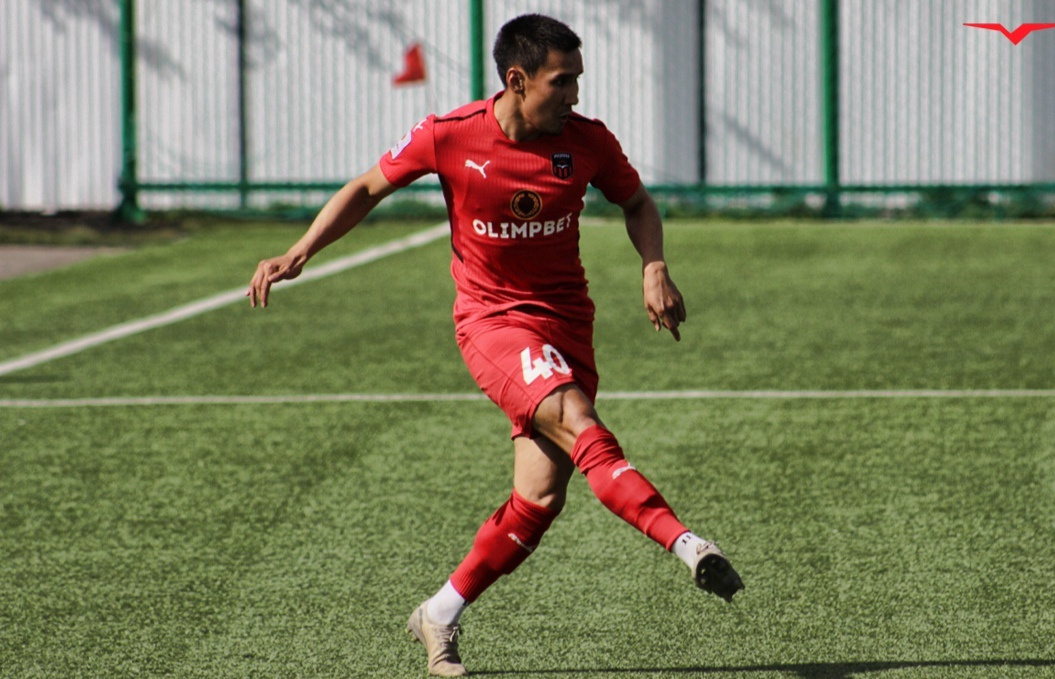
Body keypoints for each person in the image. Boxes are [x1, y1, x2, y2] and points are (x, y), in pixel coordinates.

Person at [247, 13, 743, 677]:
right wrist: (300, 250)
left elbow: (637, 202)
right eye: (561, 82)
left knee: (538, 499)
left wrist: (654, 265)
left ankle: (439, 612)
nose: (574, 95)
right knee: (581, 424)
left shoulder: (587, 141)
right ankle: (688, 545)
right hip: (493, 323)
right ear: (517, 80)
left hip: (568, 324)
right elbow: (367, 187)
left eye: (577, 81)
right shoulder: (449, 135)